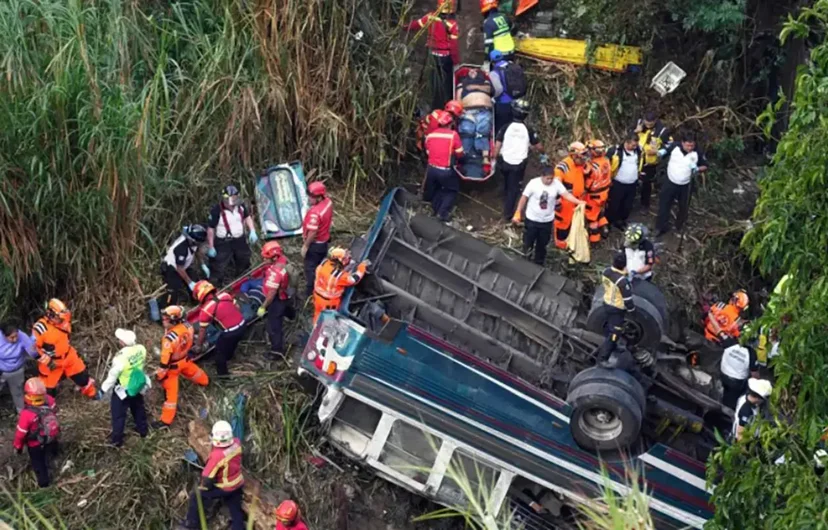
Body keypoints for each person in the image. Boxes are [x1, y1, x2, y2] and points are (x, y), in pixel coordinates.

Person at [179, 421, 245, 530]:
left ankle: (191, 524)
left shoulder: (217, 456)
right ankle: (239, 527)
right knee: (235, 508)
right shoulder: (237, 443)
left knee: (197, 495)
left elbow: (207, 478)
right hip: (238, 482)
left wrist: (205, 488)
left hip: (224, 487)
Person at [511, 170, 585, 265]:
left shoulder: (556, 184)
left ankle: (539, 263)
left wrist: (578, 202)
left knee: (542, 244)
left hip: (546, 221)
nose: (550, 181)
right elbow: (524, 198)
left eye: (551, 178)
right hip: (532, 220)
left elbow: (566, 195)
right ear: (542, 176)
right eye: (547, 178)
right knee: (528, 242)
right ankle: (525, 261)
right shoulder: (533, 183)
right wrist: (518, 212)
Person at [32, 299, 100, 399]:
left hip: (69, 357)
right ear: (50, 314)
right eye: (59, 318)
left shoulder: (64, 321)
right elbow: (33, 349)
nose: (61, 320)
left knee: (83, 378)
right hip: (51, 363)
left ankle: (93, 395)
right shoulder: (40, 328)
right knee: (48, 391)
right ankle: (48, 409)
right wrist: (47, 360)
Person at [493, 99, 547, 221]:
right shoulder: (528, 129)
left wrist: (495, 158)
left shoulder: (505, 127)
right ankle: (507, 214)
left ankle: (504, 194)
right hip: (518, 165)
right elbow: (538, 146)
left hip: (504, 162)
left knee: (506, 180)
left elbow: (497, 146)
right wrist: (543, 154)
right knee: (514, 189)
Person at [155, 306, 209, 427]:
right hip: (185, 360)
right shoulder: (188, 327)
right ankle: (205, 382)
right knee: (197, 373)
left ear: (173, 320)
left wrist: (160, 375)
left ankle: (165, 421)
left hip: (173, 368)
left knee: (171, 397)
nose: (163, 321)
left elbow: (164, 362)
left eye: (165, 319)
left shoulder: (169, 339)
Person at [405, 0, 460, 110]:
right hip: (446, 58)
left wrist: (404, 26)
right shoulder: (453, 24)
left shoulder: (431, 17)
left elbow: (416, 25)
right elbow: (454, 46)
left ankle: (434, 107)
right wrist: (455, 60)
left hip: (432, 57)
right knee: (446, 85)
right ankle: (447, 107)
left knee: (433, 84)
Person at [101, 329, 149, 447]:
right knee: (138, 408)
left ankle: (117, 441)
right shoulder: (141, 349)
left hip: (123, 389)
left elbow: (112, 376)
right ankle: (143, 431)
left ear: (122, 343)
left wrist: (103, 389)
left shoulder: (120, 357)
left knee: (118, 415)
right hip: (137, 385)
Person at [655, 133, 708, 237]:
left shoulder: (698, 152)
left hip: (686, 185)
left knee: (684, 206)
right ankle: (660, 227)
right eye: (687, 145)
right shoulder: (674, 146)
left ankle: (679, 226)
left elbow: (705, 165)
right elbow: (664, 152)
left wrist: (697, 169)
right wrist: (660, 153)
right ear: (682, 143)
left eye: (692, 145)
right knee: (664, 204)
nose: (690, 148)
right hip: (670, 181)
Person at [207, 185, 259, 286]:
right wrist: (211, 246)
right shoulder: (216, 210)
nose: (235, 200)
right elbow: (211, 229)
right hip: (223, 242)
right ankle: (216, 286)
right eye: (232, 198)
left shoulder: (241, 206)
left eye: (236, 197)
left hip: (239, 239)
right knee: (218, 265)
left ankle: (243, 280)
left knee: (244, 260)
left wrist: (252, 230)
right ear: (225, 198)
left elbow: (247, 217)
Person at [193, 281, 246, 377]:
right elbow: (237, 307)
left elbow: (202, 331)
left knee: (219, 353)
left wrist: (198, 346)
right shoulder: (225, 295)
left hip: (231, 332)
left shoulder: (205, 310)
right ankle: (229, 356)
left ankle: (223, 376)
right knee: (232, 343)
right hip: (242, 324)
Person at [13, 377, 59, 488]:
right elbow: (55, 411)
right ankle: (55, 457)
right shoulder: (49, 400)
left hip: (35, 444)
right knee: (51, 451)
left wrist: (17, 447)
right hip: (51, 436)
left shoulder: (27, 414)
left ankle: (44, 484)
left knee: (39, 463)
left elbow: (21, 433)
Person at [423, 111, 465, 222]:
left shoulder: (430, 135)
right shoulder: (453, 135)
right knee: (451, 190)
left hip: (431, 169)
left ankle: (435, 210)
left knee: (436, 189)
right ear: (450, 123)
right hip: (445, 170)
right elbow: (460, 153)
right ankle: (442, 214)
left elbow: (428, 151)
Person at [313, 247, 371, 324]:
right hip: (329, 304)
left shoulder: (324, 263)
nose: (348, 257)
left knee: (317, 316)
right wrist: (362, 267)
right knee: (327, 322)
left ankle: (315, 327)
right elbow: (354, 279)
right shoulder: (338, 276)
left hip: (317, 298)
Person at [257, 242, 293, 360]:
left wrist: (263, 306)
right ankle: (292, 315)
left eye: (266, 258)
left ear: (274, 257)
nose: (264, 259)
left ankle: (277, 351)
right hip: (286, 293)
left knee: (274, 327)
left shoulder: (275, 273)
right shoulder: (283, 260)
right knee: (288, 307)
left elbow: (271, 294)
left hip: (277, 299)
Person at [553, 142, 591, 249]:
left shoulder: (581, 164)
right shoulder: (562, 167)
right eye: (581, 157)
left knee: (574, 223)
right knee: (563, 224)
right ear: (573, 155)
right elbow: (556, 186)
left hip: (578, 201)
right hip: (565, 203)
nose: (583, 159)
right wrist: (557, 201)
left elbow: (586, 168)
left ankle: (571, 242)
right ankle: (560, 245)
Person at [160, 224, 209, 306]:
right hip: (172, 267)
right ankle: (168, 308)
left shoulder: (192, 242)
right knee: (173, 289)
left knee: (196, 281)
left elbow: (197, 251)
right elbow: (179, 268)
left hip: (184, 265)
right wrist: (189, 282)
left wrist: (203, 265)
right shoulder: (181, 248)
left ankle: (196, 302)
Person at [598, 252, 635, 361]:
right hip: (617, 308)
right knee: (614, 333)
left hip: (607, 302)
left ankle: (614, 346)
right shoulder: (622, 282)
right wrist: (632, 311)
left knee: (610, 327)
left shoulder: (606, 272)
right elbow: (628, 300)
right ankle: (603, 358)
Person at [301, 181, 333, 298]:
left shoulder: (315, 213)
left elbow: (312, 232)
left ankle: (310, 293)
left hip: (315, 245)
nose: (309, 199)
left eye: (311, 197)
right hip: (324, 242)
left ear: (319, 197)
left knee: (310, 268)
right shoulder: (328, 202)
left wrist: (305, 246)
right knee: (321, 265)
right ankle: (321, 284)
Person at [634, 111, 671, 210]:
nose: (648, 125)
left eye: (650, 124)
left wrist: (658, 152)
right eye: (646, 123)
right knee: (632, 180)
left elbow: (669, 146)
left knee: (646, 184)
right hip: (635, 157)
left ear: (655, 121)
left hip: (649, 161)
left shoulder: (662, 131)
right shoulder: (639, 123)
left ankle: (644, 205)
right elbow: (630, 137)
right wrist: (636, 131)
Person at [0, 320, 38, 412]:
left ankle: (22, 415)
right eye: (11, 337)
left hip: (16, 370)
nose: (15, 339)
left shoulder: (22, 336)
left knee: (18, 393)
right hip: (1, 369)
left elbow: (33, 353)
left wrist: (33, 341)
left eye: (16, 336)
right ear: (4, 335)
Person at [606, 133, 642, 230]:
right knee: (614, 204)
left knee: (627, 205)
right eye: (633, 145)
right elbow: (606, 164)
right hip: (618, 183)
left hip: (632, 184)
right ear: (627, 142)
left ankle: (620, 221)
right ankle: (609, 222)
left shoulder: (638, 151)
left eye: (636, 145)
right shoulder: (615, 151)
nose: (635, 147)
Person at [489, 50, 526, 130]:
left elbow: (498, 89)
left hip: (503, 104)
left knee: (502, 128)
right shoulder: (513, 66)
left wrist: (493, 97)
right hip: (516, 103)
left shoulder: (494, 72)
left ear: (492, 61)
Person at [719, 338, 759, 410]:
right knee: (731, 403)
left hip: (723, 374)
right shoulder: (751, 353)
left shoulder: (730, 342)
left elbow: (719, 332)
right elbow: (754, 375)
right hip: (736, 383)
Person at [584, 140, 611, 243]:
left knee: (592, 218)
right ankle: (605, 229)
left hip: (593, 195)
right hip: (605, 192)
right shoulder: (606, 160)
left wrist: (585, 189)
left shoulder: (591, 165)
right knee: (600, 213)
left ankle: (595, 239)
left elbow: (588, 180)